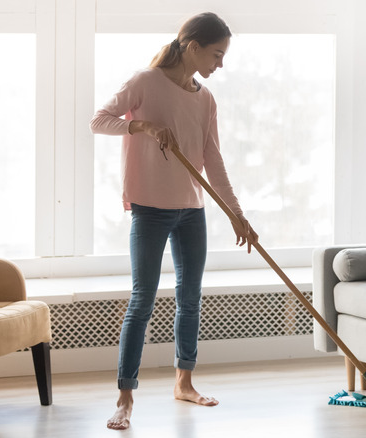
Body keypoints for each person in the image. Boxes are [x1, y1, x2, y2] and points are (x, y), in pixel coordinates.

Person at [89, 12, 257, 431]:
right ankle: (125, 397)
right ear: (193, 46)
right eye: (217, 54)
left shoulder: (205, 99)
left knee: (190, 298)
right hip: (149, 209)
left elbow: (212, 161)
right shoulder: (145, 83)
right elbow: (99, 120)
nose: (220, 63)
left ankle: (184, 382)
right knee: (142, 300)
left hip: (191, 211)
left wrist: (237, 215)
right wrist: (141, 125)